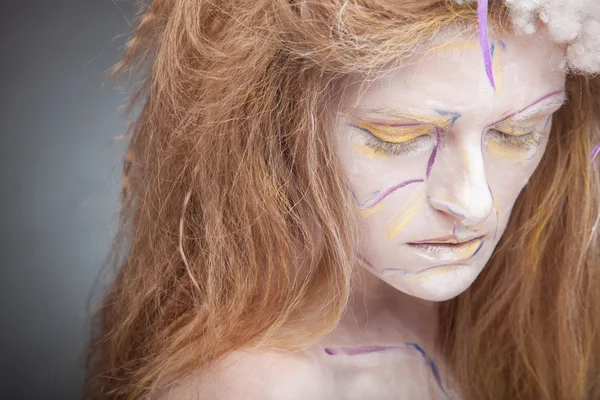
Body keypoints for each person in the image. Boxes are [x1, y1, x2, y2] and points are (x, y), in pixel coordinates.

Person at [85, 0, 600, 399]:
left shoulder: (526, 313)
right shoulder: (265, 386)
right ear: (275, 132)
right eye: (397, 137)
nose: (474, 203)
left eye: (517, 134)